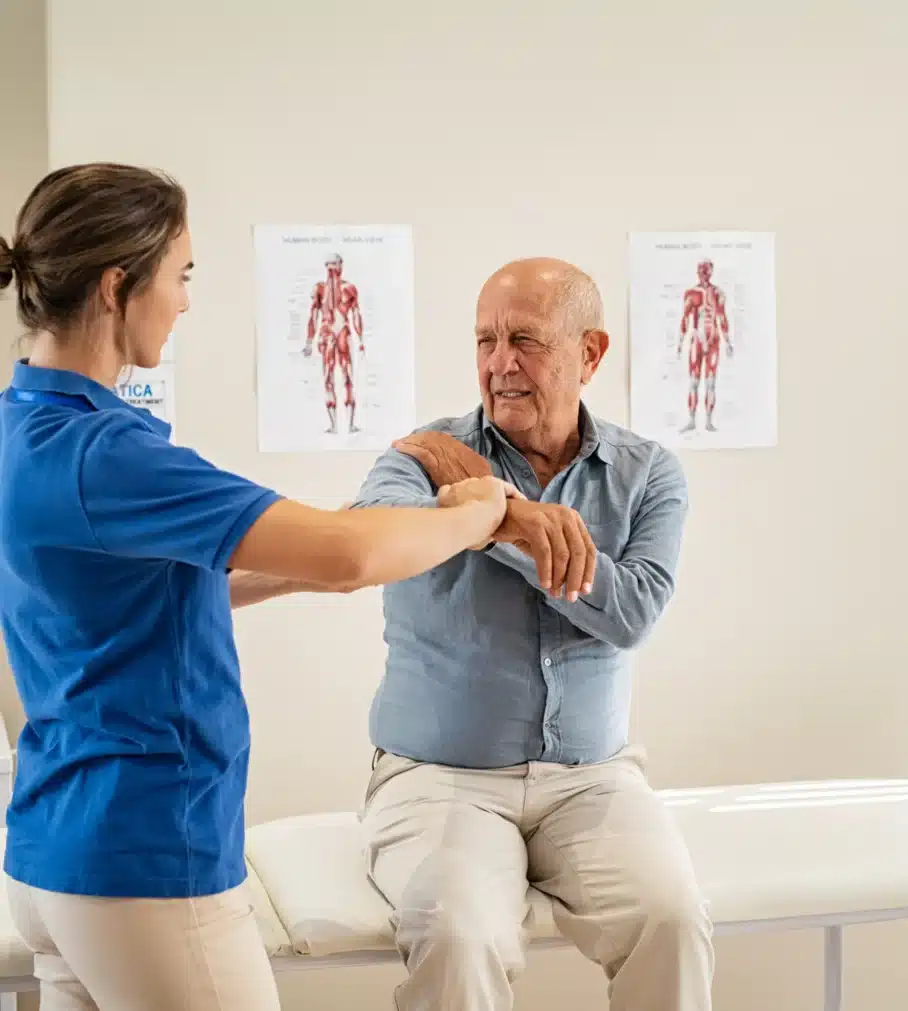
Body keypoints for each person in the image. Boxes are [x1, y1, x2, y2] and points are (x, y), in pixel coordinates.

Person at [0, 164, 570, 1011]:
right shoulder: (109, 456)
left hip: (57, 852)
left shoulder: (26, 426)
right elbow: (346, 556)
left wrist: (324, 552)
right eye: (181, 275)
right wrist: (479, 509)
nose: (186, 302)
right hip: (147, 856)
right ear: (119, 286)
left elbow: (136, 595)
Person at [351, 257, 713, 1011]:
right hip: (438, 778)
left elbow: (634, 609)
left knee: (672, 919)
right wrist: (517, 514)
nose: (500, 363)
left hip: (593, 777)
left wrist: (489, 517)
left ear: (591, 352)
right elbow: (383, 535)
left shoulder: (649, 474)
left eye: (525, 339)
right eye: (485, 340)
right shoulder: (421, 457)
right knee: (459, 935)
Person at [303, 252, 364, 434]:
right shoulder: (320, 289)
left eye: (334, 265)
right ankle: (334, 424)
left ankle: (350, 423)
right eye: (328, 265)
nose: (331, 270)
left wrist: (360, 339)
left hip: (343, 333)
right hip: (327, 334)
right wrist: (309, 341)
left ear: (340, 266)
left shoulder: (349, 288)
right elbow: (313, 316)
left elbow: (356, 315)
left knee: (347, 376)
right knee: (328, 377)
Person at [677, 258, 731, 433]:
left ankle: (708, 421)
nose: (704, 274)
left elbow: (722, 317)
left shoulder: (718, 293)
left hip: (714, 340)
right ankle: (692, 420)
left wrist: (728, 341)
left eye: (706, 270)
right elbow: (685, 318)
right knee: (693, 381)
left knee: (710, 383)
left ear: (711, 272)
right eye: (701, 270)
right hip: (697, 340)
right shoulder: (692, 293)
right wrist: (680, 341)